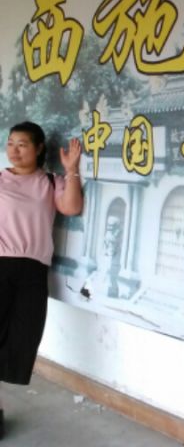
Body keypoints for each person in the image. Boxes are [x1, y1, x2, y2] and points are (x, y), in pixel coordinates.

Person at [0, 122, 84, 439]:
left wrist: (71, 170)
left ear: (38, 149)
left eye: (22, 144)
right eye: (11, 143)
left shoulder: (50, 182)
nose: (14, 150)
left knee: (21, 340)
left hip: (33, 271)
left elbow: (72, 207)